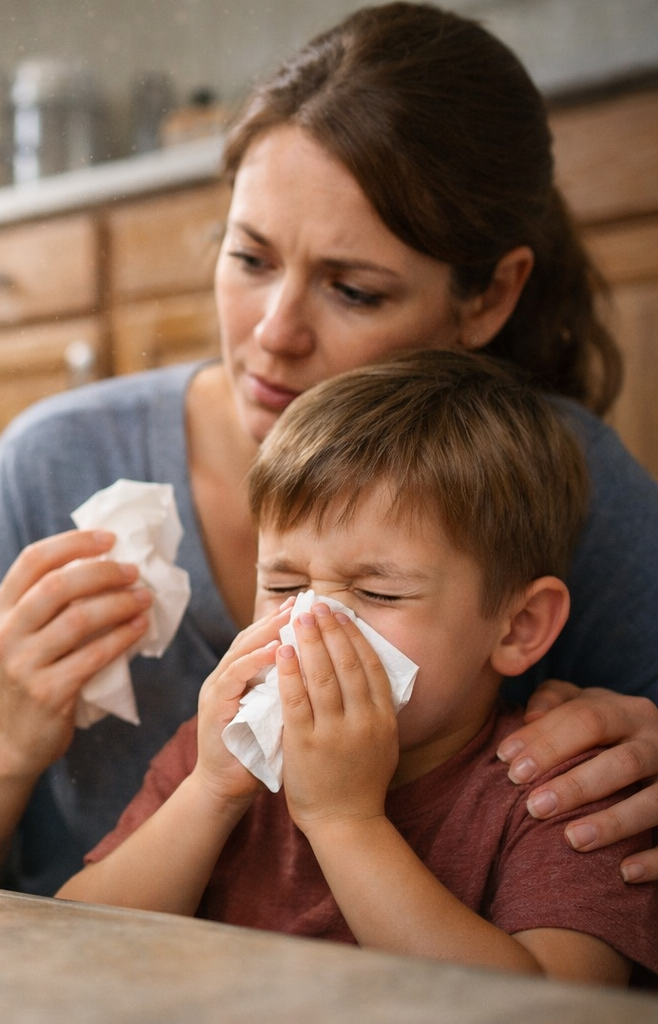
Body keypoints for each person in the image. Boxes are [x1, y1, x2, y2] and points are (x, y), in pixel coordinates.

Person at [0, 2, 658, 897]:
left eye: (353, 291)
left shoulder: (563, 483)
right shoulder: (58, 465)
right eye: (249, 259)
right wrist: (5, 737)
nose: (273, 335)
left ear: (488, 298)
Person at [56, 352, 657, 985]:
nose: (310, 623)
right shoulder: (216, 757)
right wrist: (209, 792)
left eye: (379, 593)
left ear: (518, 626)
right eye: (284, 584)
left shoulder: (562, 792)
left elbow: (559, 1007)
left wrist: (346, 822)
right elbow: (68, 951)